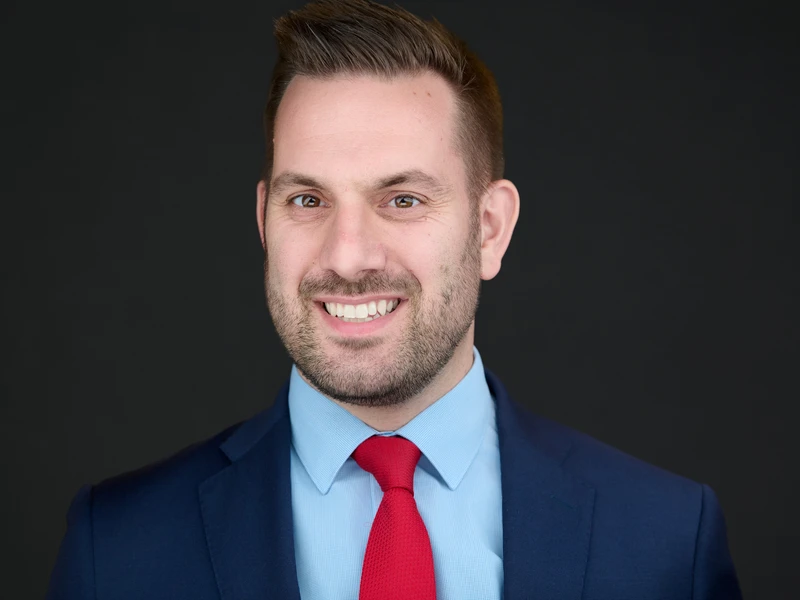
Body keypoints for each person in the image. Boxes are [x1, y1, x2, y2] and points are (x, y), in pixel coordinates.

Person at [47, 0, 742, 598]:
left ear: (489, 229)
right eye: (308, 199)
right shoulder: (118, 548)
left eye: (403, 199)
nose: (348, 256)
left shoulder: (666, 542)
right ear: (265, 221)